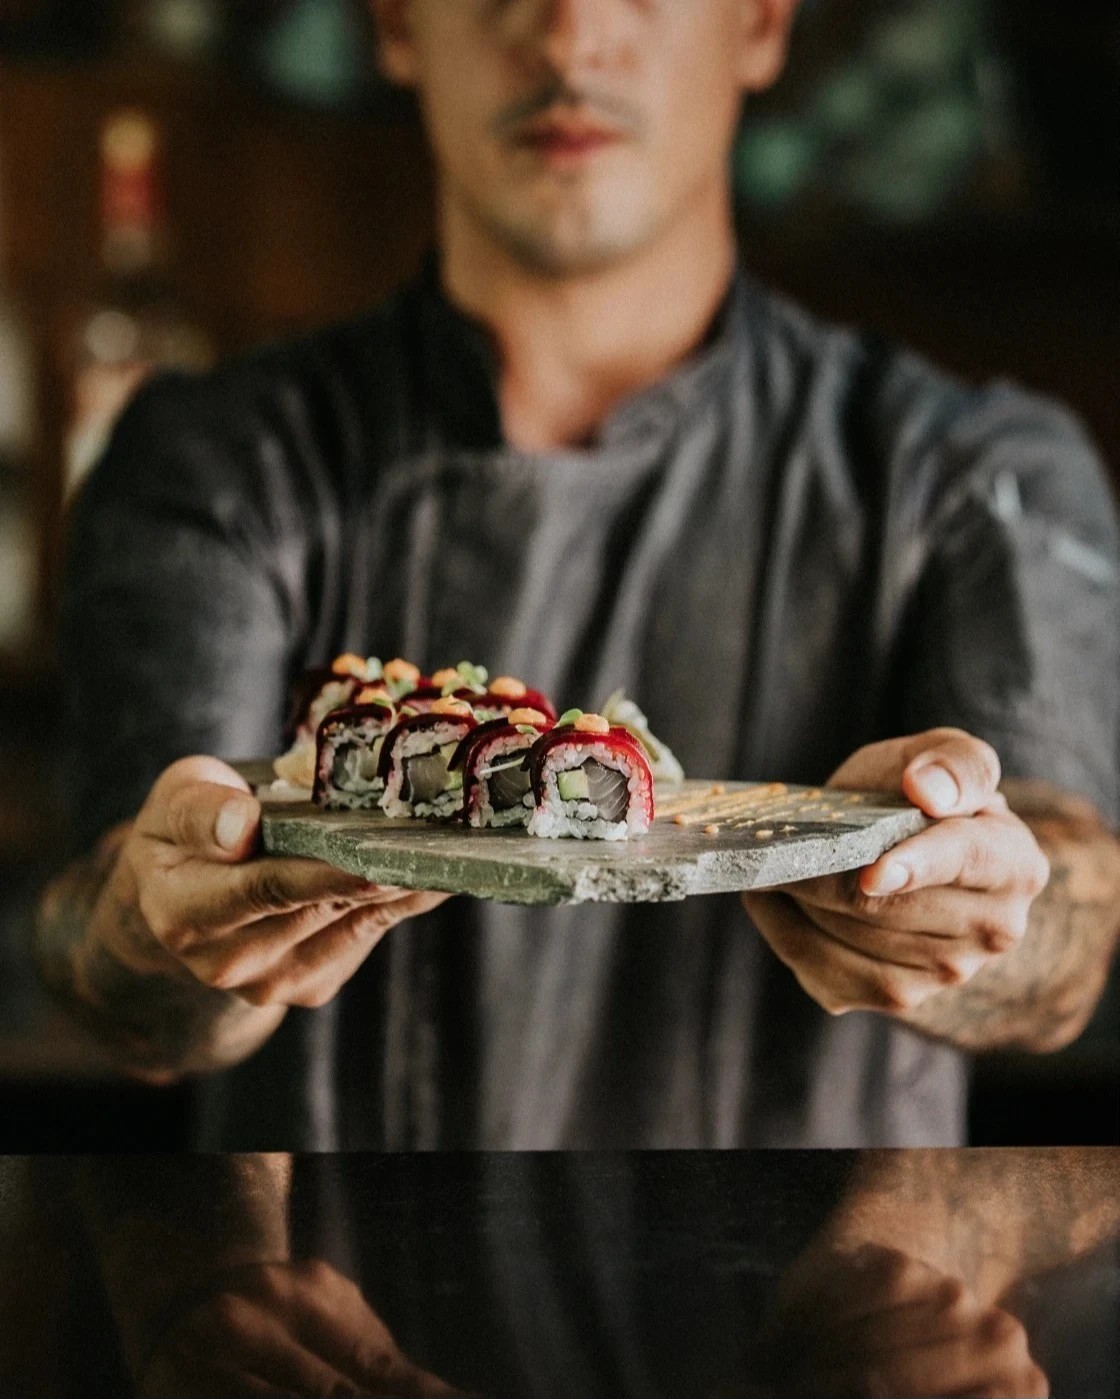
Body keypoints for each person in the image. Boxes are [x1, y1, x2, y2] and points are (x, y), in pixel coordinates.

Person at [34, 0, 1120, 1149]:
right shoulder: (209, 459)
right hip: (322, 1262)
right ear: (395, 23)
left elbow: (1071, 936)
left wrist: (974, 898)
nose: (567, 33)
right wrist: (165, 926)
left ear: (760, 24)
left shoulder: (975, 470)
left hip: (826, 1269)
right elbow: (107, 952)